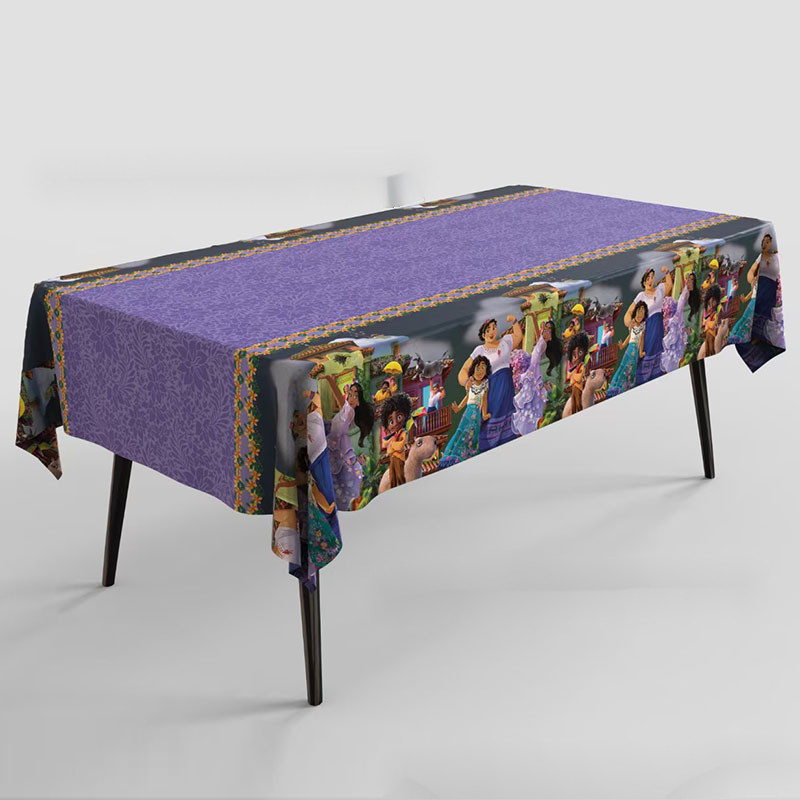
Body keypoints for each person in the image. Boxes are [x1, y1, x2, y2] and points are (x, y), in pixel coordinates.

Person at [457, 314, 523, 451]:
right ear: (483, 335)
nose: (491, 332)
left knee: (509, 425)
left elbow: (518, 336)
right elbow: (464, 370)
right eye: (488, 330)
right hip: (492, 392)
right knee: (490, 422)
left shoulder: (505, 342)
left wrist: (514, 321)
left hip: (507, 390)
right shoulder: (480, 351)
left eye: (493, 328)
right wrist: (467, 381)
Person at [326, 382, 373, 510]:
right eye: (350, 395)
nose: (352, 398)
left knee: (344, 491)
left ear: (359, 401)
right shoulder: (345, 409)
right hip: (335, 451)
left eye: (355, 396)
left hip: (342, 452)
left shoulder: (350, 411)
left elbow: (340, 430)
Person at [439, 356, 491, 469]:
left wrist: (484, 414)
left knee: (472, 435)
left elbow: (484, 400)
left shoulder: (485, 385)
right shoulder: (471, 384)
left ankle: (467, 457)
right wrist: (458, 408)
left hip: (476, 414)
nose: (480, 371)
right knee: (462, 431)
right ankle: (454, 456)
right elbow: (467, 397)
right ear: (473, 371)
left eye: (483, 368)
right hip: (468, 412)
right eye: (478, 368)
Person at [625, 266, 673, 385]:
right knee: (645, 358)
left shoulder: (659, 289)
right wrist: (630, 323)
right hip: (647, 332)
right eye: (647, 278)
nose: (650, 280)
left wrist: (667, 272)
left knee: (658, 361)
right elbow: (629, 313)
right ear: (643, 282)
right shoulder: (641, 296)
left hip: (658, 330)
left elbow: (669, 286)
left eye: (652, 277)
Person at [512, 323, 551, 435]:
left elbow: (538, 348)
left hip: (534, 400)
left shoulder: (528, 371)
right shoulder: (529, 370)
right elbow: (538, 350)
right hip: (532, 402)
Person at [608, 301, 647, 397]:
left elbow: (641, 340)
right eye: (638, 311)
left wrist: (641, 352)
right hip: (629, 349)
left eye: (642, 312)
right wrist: (622, 345)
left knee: (631, 368)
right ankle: (617, 387)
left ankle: (627, 387)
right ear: (635, 312)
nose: (640, 314)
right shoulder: (632, 325)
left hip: (635, 350)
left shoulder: (643, 327)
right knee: (624, 365)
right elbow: (630, 337)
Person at [660, 274, 693, 373]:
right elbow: (681, 301)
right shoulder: (673, 311)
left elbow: (682, 301)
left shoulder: (676, 310)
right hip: (674, 329)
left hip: (676, 330)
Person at [380, 393, 412, 489]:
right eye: (391, 422)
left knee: (400, 476)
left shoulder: (403, 433)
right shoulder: (393, 435)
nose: (395, 423)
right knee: (392, 477)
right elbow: (386, 445)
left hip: (399, 458)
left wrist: (392, 443)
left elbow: (400, 445)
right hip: (393, 459)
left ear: (405, 416)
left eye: (399, 417)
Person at [565, 331, 590, 413]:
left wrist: (573, 375)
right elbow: (569, 376)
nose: (577, 358)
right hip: (573, 388)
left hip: (578, 388)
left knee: (579, 404)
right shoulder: (574, 368)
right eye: (574, 355)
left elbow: (579, 378)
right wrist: (572, 374)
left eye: (580, 353)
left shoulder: (581, 366)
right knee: (573, 404)